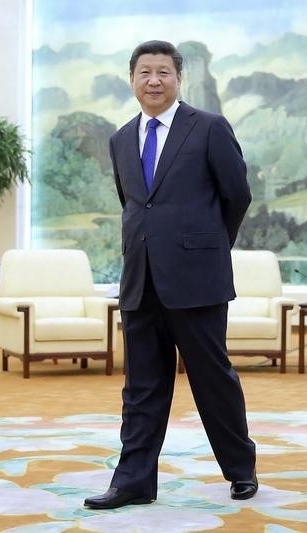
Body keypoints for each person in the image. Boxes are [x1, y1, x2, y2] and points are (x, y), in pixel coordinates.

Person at [83, 40, 257, 510]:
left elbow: (236, 195)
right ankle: (133, 481)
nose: (153, 80)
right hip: (141, 280)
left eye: (163, 72)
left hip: (196, 279)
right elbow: (134, 205)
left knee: (211, 378)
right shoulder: (121, 139)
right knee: (141, 386)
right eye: (144, 72)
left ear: (179, 78)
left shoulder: (209, 128)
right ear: (132, 80)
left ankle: (241, 470)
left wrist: (207, 245)